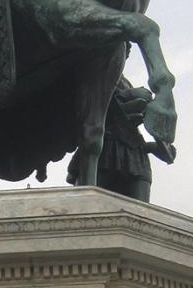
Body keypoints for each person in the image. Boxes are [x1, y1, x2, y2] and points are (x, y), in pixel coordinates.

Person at [66, 74, 175, 202]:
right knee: (87, 203)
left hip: (135, 153)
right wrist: (128, 95)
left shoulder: (124, 81)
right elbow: (93, 103)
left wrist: (154, 144)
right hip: (103, 147)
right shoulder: (94, 73)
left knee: (141, 208)